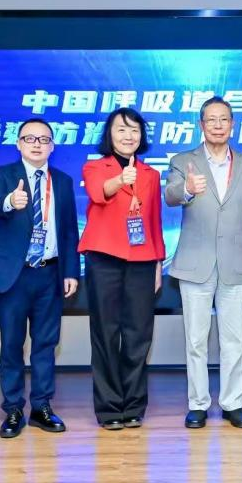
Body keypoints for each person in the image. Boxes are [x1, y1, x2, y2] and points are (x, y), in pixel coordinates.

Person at [164, 97, 242, 429]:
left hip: (236, 263)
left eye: (224, 120)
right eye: (211, 120)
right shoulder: (183, 161)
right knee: (196, 339)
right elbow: (170, 195)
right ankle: (198, 404)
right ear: (201, 125)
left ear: (232, 125)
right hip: (196, 263)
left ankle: (233, 403)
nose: (218, 125)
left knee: (234, 339)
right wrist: (188, 189)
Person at [0, 118, 81, 438]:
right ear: (18, 144)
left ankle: (41, 407)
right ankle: (13, 409)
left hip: (50, 274)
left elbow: (69, 230)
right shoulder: (2, 174)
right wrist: (10, 202)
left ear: (53, 146)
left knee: (45, 344)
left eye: (44, 139)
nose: (37, 144)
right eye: (29, 138)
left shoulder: (62, 181)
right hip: (13, 275)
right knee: (12, 343)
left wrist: (71, 271)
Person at [78, 107, 165, 430]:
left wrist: (158, 263)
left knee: (138, 335)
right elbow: (97, 193)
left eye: (134, 130)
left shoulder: (150, 174)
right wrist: (120, 179)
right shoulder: (94, 166)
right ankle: (109, 408)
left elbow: (154, 221)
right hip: (104, 258)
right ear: (109, 134)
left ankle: (133, 406)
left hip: (143, 260)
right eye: (121, 130)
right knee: (105, 333)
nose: (129, 136)